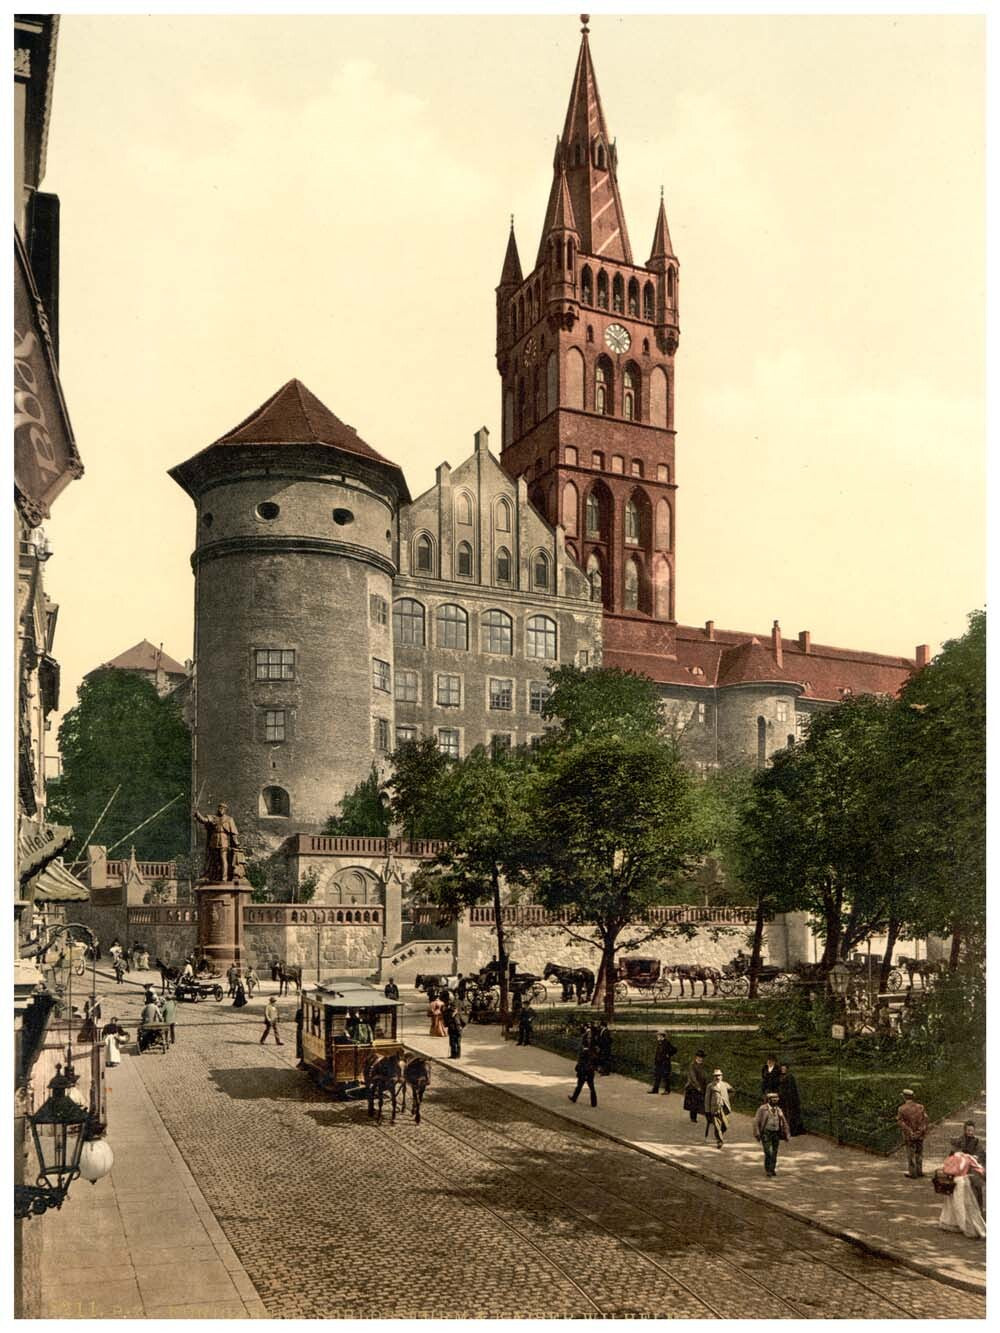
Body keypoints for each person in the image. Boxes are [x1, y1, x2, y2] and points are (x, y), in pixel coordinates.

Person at [193, 802, 245, 882]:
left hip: (223, 841)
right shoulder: (213, 818)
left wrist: (236, 843)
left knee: (223, 859)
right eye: (220, 808)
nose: (221, 810)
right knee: (213, 859)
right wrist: (197, 814)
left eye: (223, 808)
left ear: (225, 810)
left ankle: (224, 878)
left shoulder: (229, 819)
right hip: (213, 841)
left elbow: (233, 833)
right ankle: (213, 876)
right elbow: (204, 820)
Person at [937, 1152, 986, 1239]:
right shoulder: (968, 1158)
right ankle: (969, 1229)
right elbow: (979, 1168)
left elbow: (945, 1169)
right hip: (962, 1181)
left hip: (951, 1182)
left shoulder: (951, 1157)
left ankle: (949, 1223)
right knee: (965, 1205)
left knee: (950, 1204)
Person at [754, 1090, 791, 1176]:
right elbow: (756, 1121)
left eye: (776, 1099)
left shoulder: (778, 1110)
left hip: (776, 1133)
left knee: (774, 1152)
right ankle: (768, 1170)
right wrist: (757, 1133)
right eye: (773, 1100)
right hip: (766, 1133)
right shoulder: (763, 1109)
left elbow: (784, 1121)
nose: (775, 1101)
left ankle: (772, 1169)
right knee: (768, 1152)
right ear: (769, 1100)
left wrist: (786, 1133)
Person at [897, 1088, 930, 1178]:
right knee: (919, 1153)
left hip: (909, 1136)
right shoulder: (920, 1107)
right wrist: (919, 1132)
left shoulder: (901, 1109)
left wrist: (910, 1132)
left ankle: (912, 1173)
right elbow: (925, 1120)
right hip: (920, 1135)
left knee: (910, 1153)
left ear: (904, 1097)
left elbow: (900, 1122)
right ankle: (919, 1171)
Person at [569, 1026, 598, 1107]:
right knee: (588, 1086)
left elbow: (581, 1061)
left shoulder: (586, 1051)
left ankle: (575, 1098)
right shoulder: (592, 1050)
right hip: (589, 1070)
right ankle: (593, 1103)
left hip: (584, 1070)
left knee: (583, 1086)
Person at [704, 1068, 734, 1149]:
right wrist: (707, 1111)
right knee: (717, 1126)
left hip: (724, 1109)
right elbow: (707, 1099)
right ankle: (719, 1141)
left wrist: (727, 1098)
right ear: (713, 1077)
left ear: (722, 1076)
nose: (718, 1077)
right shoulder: (710, 1086)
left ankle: (719, 1133)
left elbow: (732, 1091)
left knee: (725, 1125)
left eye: (719, 1076)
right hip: (714, 1109)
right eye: (716, 1076)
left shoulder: (725, 1085)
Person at [778, 1062, 805, 1136]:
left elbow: (791, 1089)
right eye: (782, 1068)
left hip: (789, 1099)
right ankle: (783, 1131)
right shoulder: (779, 1076)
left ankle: (790, 1130)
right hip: (781, 1099)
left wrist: (787, 1095)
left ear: (787, 1069)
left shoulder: (790, 1077)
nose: (783, 1070)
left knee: (789, 1115)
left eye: (784, 1069)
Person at [683, 1050, 708, 1124]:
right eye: (699, 1057)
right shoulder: (692, 1065)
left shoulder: (702, 1065)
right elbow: (693, 1077)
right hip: (693, 1087)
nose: (701, 1058)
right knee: (694, 1102)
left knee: (702, 1102)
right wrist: (698, 1087)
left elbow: (704, 1076)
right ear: (696, 1057)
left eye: (702, 1057)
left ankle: (708, 1118)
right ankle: (693, 1118)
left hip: (702, 1086)